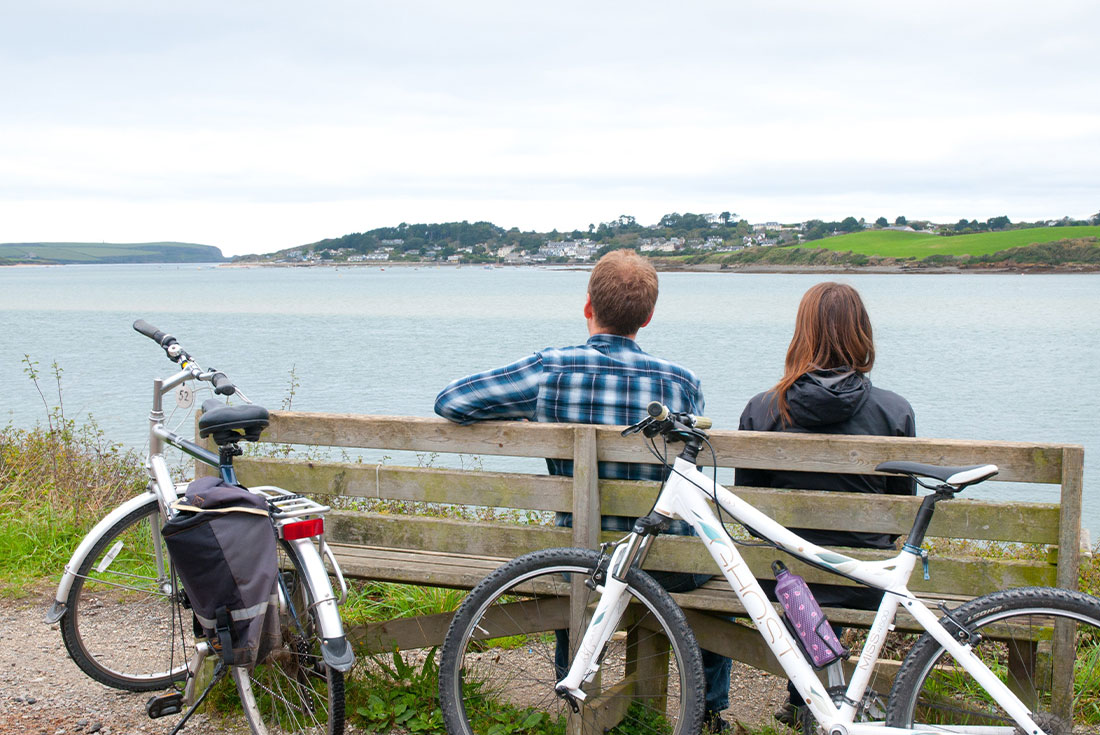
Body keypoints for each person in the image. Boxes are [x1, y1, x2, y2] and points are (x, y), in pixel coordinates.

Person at [435, 248, 733, 732]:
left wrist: (527, 410)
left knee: (572, 560)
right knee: (705, 564)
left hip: (580, 559)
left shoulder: (549, 370)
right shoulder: (683, 382)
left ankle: (573, 692)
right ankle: (711, 710)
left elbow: (451, 402)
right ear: (649, 316)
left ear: (588, 306)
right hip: (667, 564)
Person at [735, 281, 915, 728]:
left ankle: (806, 704)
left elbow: (751, 513)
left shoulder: (762, 411)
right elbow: (901, 510)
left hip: (785, 579)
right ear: (862, 334)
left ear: (801, 334)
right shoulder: (895, 412)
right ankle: (815, 704)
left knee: (796, 561)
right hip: (864, 579)